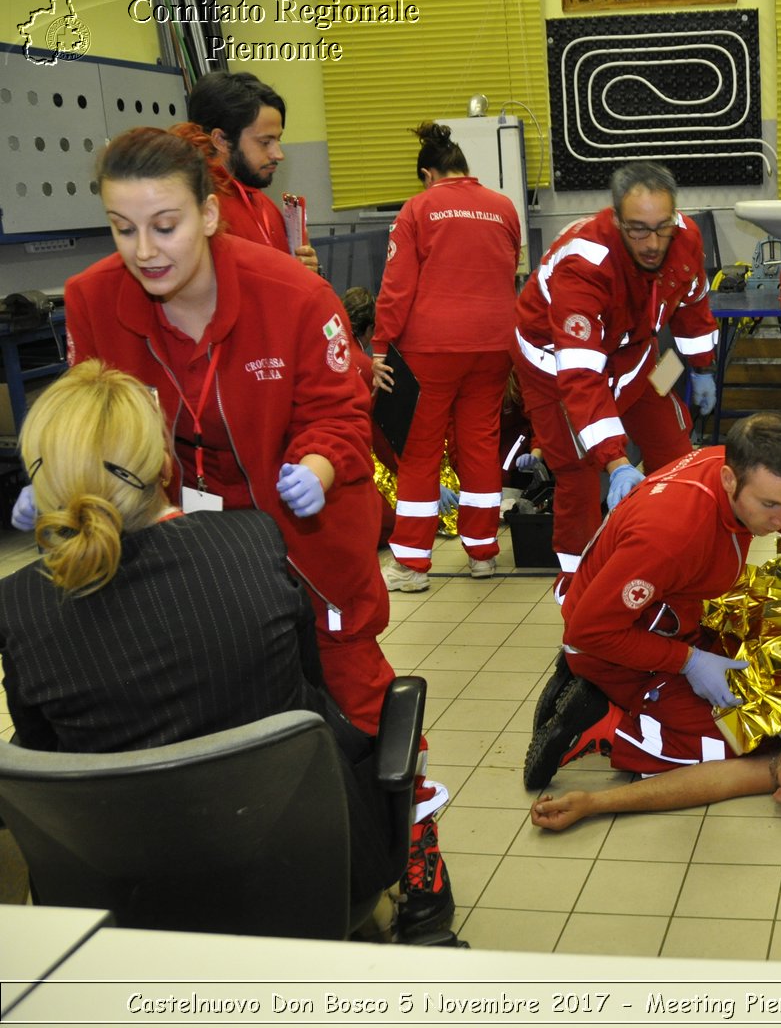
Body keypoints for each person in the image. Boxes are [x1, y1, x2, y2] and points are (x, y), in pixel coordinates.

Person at [53, 124, 454, 935]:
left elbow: (341, 412)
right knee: (221, 719)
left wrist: (320, 464)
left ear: (208, 213)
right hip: (180, 552)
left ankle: (417, 858)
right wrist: (60, 476)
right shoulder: (93, 299)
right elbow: (92, 414)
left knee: (359, 702)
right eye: (122, 227)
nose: (143, 249)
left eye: (164, 224)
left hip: (304, 545)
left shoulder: (291, 295)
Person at [0, 361, 394, 914]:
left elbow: (44, 753)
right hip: (306, 879)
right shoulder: (253, 542)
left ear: (42, 487)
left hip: (127, 904)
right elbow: (309, 691)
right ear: (166, 465)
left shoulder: (19, 605)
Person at [524, 412, 781, 839]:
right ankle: (603, 724)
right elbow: (586, 632)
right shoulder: (671, 535)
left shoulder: (745, 479)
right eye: (770, 506)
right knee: (726, 745)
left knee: (747, 706)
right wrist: (687, 661)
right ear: (730, 480)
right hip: (613, 647)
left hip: (666, 619)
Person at [511, 161, 720, 598]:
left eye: (661, 227)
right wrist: (616, 460)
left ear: (675, 216)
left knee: (676, 449)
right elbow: (582, 376)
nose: (652, 243)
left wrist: (701, 366)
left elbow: (692, 302)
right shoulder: (584, 265)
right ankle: (576, 588)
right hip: (557, 368)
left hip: (637, 356)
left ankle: (674, 552)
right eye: (638, 230)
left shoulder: (683, 238)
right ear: (617, 218)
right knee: (581, 476)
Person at [372, 123, 519, 591]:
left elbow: (397, 289)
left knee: (419, 452)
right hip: (495, 344)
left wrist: (379, 347)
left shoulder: (419, 208)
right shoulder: (503, 208)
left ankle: (411, 566)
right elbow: (508, 269)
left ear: (427, 174)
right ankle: (482, 555)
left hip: (430, 348)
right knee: (479, 445)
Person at [186, 70, 320, 274]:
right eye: (265, 142)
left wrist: (306, 273)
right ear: (221, 140)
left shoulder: (264, 204)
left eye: (278, 140)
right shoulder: (202, 215)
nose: (278, 154)